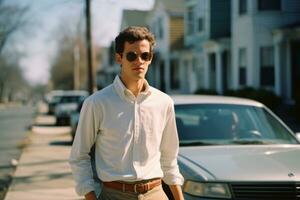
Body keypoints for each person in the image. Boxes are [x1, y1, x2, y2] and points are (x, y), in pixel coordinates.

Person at [69, 26, 184, 200]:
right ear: (118, 58)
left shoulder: (164, 103)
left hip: (156, 193)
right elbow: (79, 156)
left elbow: (169, 158)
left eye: (145, 55)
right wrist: (90, 196)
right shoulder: (96, 103)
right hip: (114, 194)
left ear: (150, 58)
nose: (140, 61)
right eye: (132, 55)